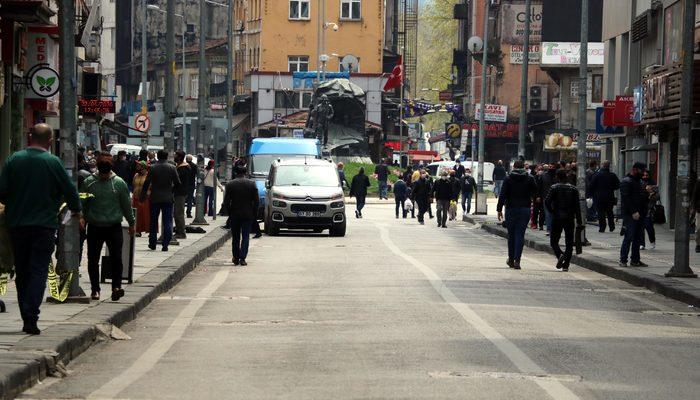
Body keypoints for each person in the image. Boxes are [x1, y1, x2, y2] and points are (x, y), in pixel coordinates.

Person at [0, 123, 82, 334]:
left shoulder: (14, 160)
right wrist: (76, 210)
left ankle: (25, 313)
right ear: (48, 141)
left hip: (17, 226)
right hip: (44, 227)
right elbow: (70, 192)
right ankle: (31, 316)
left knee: (22, 270)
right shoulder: (53, 163)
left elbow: (1, 191)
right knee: (38, 270)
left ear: (29, 137)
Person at [81, 154, 135, 301]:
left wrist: (132, 223)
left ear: (111, 169)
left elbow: (126, 205)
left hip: (114, 227)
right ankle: (95, 290)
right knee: (93, 259)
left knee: (117, 258)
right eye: (102, 174)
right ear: (98, 169)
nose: (104, 177)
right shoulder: (89, 182)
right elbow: (82, 203)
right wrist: (81, 217)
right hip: (94, 226)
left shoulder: (119, 183)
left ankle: (116, 287)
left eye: (107, 174)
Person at [496, 160, 538, 270]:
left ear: (514, 167)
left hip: (511, 209)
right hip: (525, 209)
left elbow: (502, 194)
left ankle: (510, 259)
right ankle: (517, 260)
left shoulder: (508, 178)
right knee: (520, 235)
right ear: (523, 167)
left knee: (511, 235)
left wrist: (499, 209)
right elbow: (536, 193)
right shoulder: (529, 178)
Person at [140, 150, 180, 252]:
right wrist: (172, 191)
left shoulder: (153, 167)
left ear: (157, 156)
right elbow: (178, 183)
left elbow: (147, 182)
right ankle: (165, 244)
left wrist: (142, 196)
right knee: (168, 221)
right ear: (167, 157)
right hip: (168, 198)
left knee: (153, 221)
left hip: (154, 198)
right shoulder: (172, 168)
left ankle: (152, 243)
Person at [545, 169, 583, 272]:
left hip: (557, 217)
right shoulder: (573, 189)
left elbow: (547, 202)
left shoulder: (554, 187)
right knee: (569, 242)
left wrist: (552, 211)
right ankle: (566, 265)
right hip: (569, 218)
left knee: (554, 241)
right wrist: (579, 220)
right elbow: (577, 206)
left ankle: (560, 255)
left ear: (557, 176)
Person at [224, 165, 259, 266]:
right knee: (245, 237)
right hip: (248, 214)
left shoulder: (230, 184)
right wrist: (254, 214)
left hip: (235, 214)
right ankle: (242, 258)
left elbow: (226, 202)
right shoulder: (252, 184)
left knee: (235, 237)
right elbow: (256, 201)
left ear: (235, 173)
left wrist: (230, 213)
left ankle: (235, 257)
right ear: (245, 173)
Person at [619, 162, 648, 267]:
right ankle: (623, 260)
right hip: (630, 215)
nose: (643, 173)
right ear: (635, 169)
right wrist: (633, 212)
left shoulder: (639, 181)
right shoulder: (626, 181)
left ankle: (635, 260)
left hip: (640, 214)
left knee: (638, 238)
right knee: (629, 237)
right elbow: (626, 199)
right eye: (642, 170)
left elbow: (641, 197)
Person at [589, 160, 620, 232]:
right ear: (609, 166)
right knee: (610, 212)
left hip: (598, 197)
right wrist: (611, 188)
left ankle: (602, 227)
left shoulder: (596, 175)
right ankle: (611, 226)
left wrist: (591, 194)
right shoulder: (612, 175)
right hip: (609, 196)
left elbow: (591, 186)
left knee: (600, 212)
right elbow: (618, 185)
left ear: (602, 165)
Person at [173, 151, 191, 239]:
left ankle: (181, 232)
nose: (174, 156)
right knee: (177, 213)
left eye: (175, 155)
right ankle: (179, 230)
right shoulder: (180, 167)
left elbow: (177, 181)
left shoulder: (183, 168)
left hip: (180, 193)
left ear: (179, 157)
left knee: (178, 213)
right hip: (178, 192)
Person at [132, 161, 151, 237]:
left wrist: (147, 194)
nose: (137, 167)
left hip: (145, 198)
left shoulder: (148, 175)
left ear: (143, 167)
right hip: (136, 197)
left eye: (139, 166)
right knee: (137, 215)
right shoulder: (136, 175)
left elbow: (151, 186)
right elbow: (133, 184)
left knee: (146, 214)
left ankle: (150, 231)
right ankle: (138, 230)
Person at [640, 172, 658, 251]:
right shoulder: (639, 184)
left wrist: (650, 192)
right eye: (644, 175)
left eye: (646, 175)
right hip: (640, 209)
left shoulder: (653, 184)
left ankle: (652, 242)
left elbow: (657, 197)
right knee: (641, 228)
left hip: (649, 211)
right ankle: (641, 244)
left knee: (649, 228)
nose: (645, 176)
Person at [537, 163, 556, 234]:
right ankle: (549, 229)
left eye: (552, 166)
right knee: (548, 213)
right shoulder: (543, 175)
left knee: (554, 214)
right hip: (546, 197)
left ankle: (553, 229)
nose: (550, 167)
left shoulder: (557, 175)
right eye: (549, 166)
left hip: (556, 197)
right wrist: (538, 196)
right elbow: (539, 186)